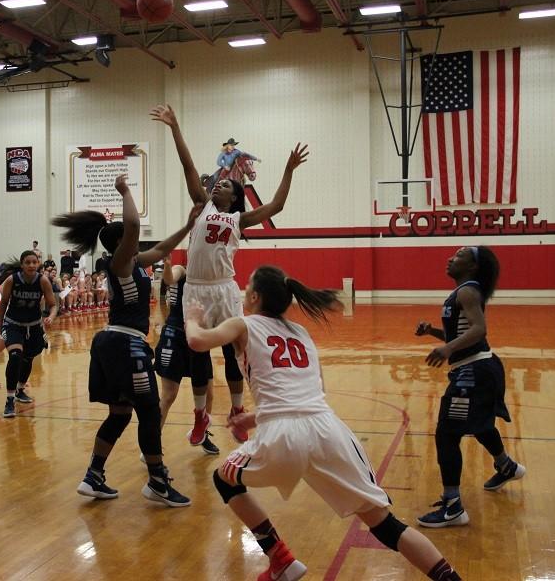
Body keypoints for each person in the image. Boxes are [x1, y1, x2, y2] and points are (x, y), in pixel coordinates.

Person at [185, 265, 464, 581]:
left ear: (253, 296)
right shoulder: (302, 333)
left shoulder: (242, 324)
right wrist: (253, 417)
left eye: (247, 286)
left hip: (283, 434)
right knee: (386, 525)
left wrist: (192, 317)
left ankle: (281, 559)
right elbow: (309, 394)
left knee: (225, 480)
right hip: (328, 431)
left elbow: (197, 342)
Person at [152, 103, 308, 445]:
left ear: (235, 196)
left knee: (236, 350)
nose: (217, 185)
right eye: (217, 184)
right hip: (195, 287)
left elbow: (276, 206)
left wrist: (288, 169)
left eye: (224, 186)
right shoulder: (203, 205)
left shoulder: (238, 219)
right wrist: (174, 127)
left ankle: (238, 410)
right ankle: (199, 414)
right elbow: (188, 165)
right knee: (197, 352)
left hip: (223, 288)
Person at [53, 173, 199, 508]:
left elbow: (163, 248)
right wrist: (125, 191)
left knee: (120, 413)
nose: (138, 242)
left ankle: (93, 476)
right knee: (148, 411)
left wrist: (188, 225)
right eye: (132, 239)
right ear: (123, 243)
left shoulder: (133, 263)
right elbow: (133, 226)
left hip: (112, 344)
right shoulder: (118, 262)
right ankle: (157, 482)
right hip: (125, 344)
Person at [414, 246, 525, 528]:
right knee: (481, 423)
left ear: (473, 266)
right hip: (478, 367)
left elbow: (479, 329)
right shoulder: (463, 292)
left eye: (459, 255)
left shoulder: (467, 291)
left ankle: (453, 507)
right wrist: (434, 333)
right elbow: (462, 333)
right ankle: (507, 466)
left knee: (447, 434)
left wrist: (446, 348)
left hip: (474, 370)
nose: (450, 258)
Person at [154, 255, 218, 455]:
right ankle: (152, 444)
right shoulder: (183, 269)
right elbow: (169, 279)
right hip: (176, 335)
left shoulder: (214, 279)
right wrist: (167, 265)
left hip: (198, 337)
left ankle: (202, 433)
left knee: (209, 394)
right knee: (169, 395)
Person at [0, 251, 57, 418]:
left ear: (38, 264)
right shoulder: (12, 280)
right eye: (27, 262)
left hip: (34, 326)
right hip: (13, 324)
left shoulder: (43, 281)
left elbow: (53, 305)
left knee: (28, 358)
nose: (31, 265)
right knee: (15, 356)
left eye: (34, 262)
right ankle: (9, 399)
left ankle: (20, 389)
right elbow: (4, 303)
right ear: (22, 265)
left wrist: (50, 317)